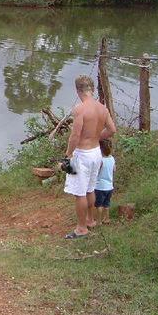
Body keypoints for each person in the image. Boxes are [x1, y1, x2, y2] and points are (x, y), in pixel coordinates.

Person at [63, 75, 116, 240]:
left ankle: (81, 228)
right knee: (90, 188)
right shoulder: (103, 109)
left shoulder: (80, 109)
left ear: (78, 90)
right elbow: (112, 130)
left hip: (82, 154)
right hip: (96, 153)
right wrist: (96, 137)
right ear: (91, 90)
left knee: (79, 192)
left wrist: (68, 154)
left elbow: (75, 135)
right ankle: (90, 219)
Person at [94, 139, 115, 225]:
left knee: (99, 205)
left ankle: (98, 221)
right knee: (106, 204)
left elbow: (96, 172)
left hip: (100, 187)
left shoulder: (100, 160)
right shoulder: (112, 158)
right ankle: (107, 219)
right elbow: (114, 169)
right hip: (109, 186)